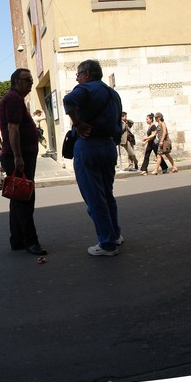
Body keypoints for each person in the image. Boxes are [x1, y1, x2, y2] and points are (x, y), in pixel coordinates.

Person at [63, 59, 124, 257]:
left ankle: (107, 244)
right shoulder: (113, 94)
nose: (78, 79)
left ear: (87, 74)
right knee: (107, 194)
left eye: (78, 75)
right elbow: (117, 123)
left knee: (94, 197)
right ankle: (114, 234)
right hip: (108, 146)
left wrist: (78, 124)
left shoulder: (86, 89)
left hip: (89, 146)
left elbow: (68, 101)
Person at [0, 69, 46, 255]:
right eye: (27, 80)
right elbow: (12, 128)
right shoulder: (13, 99)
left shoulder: (15, 99)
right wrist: (18, 157)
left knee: (17, 199)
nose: (31, 84)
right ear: (17, 81)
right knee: (25, 199)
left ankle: (17, 239)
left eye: (32, 80)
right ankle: (31, 241)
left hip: (20, 155)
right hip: (19, 156)